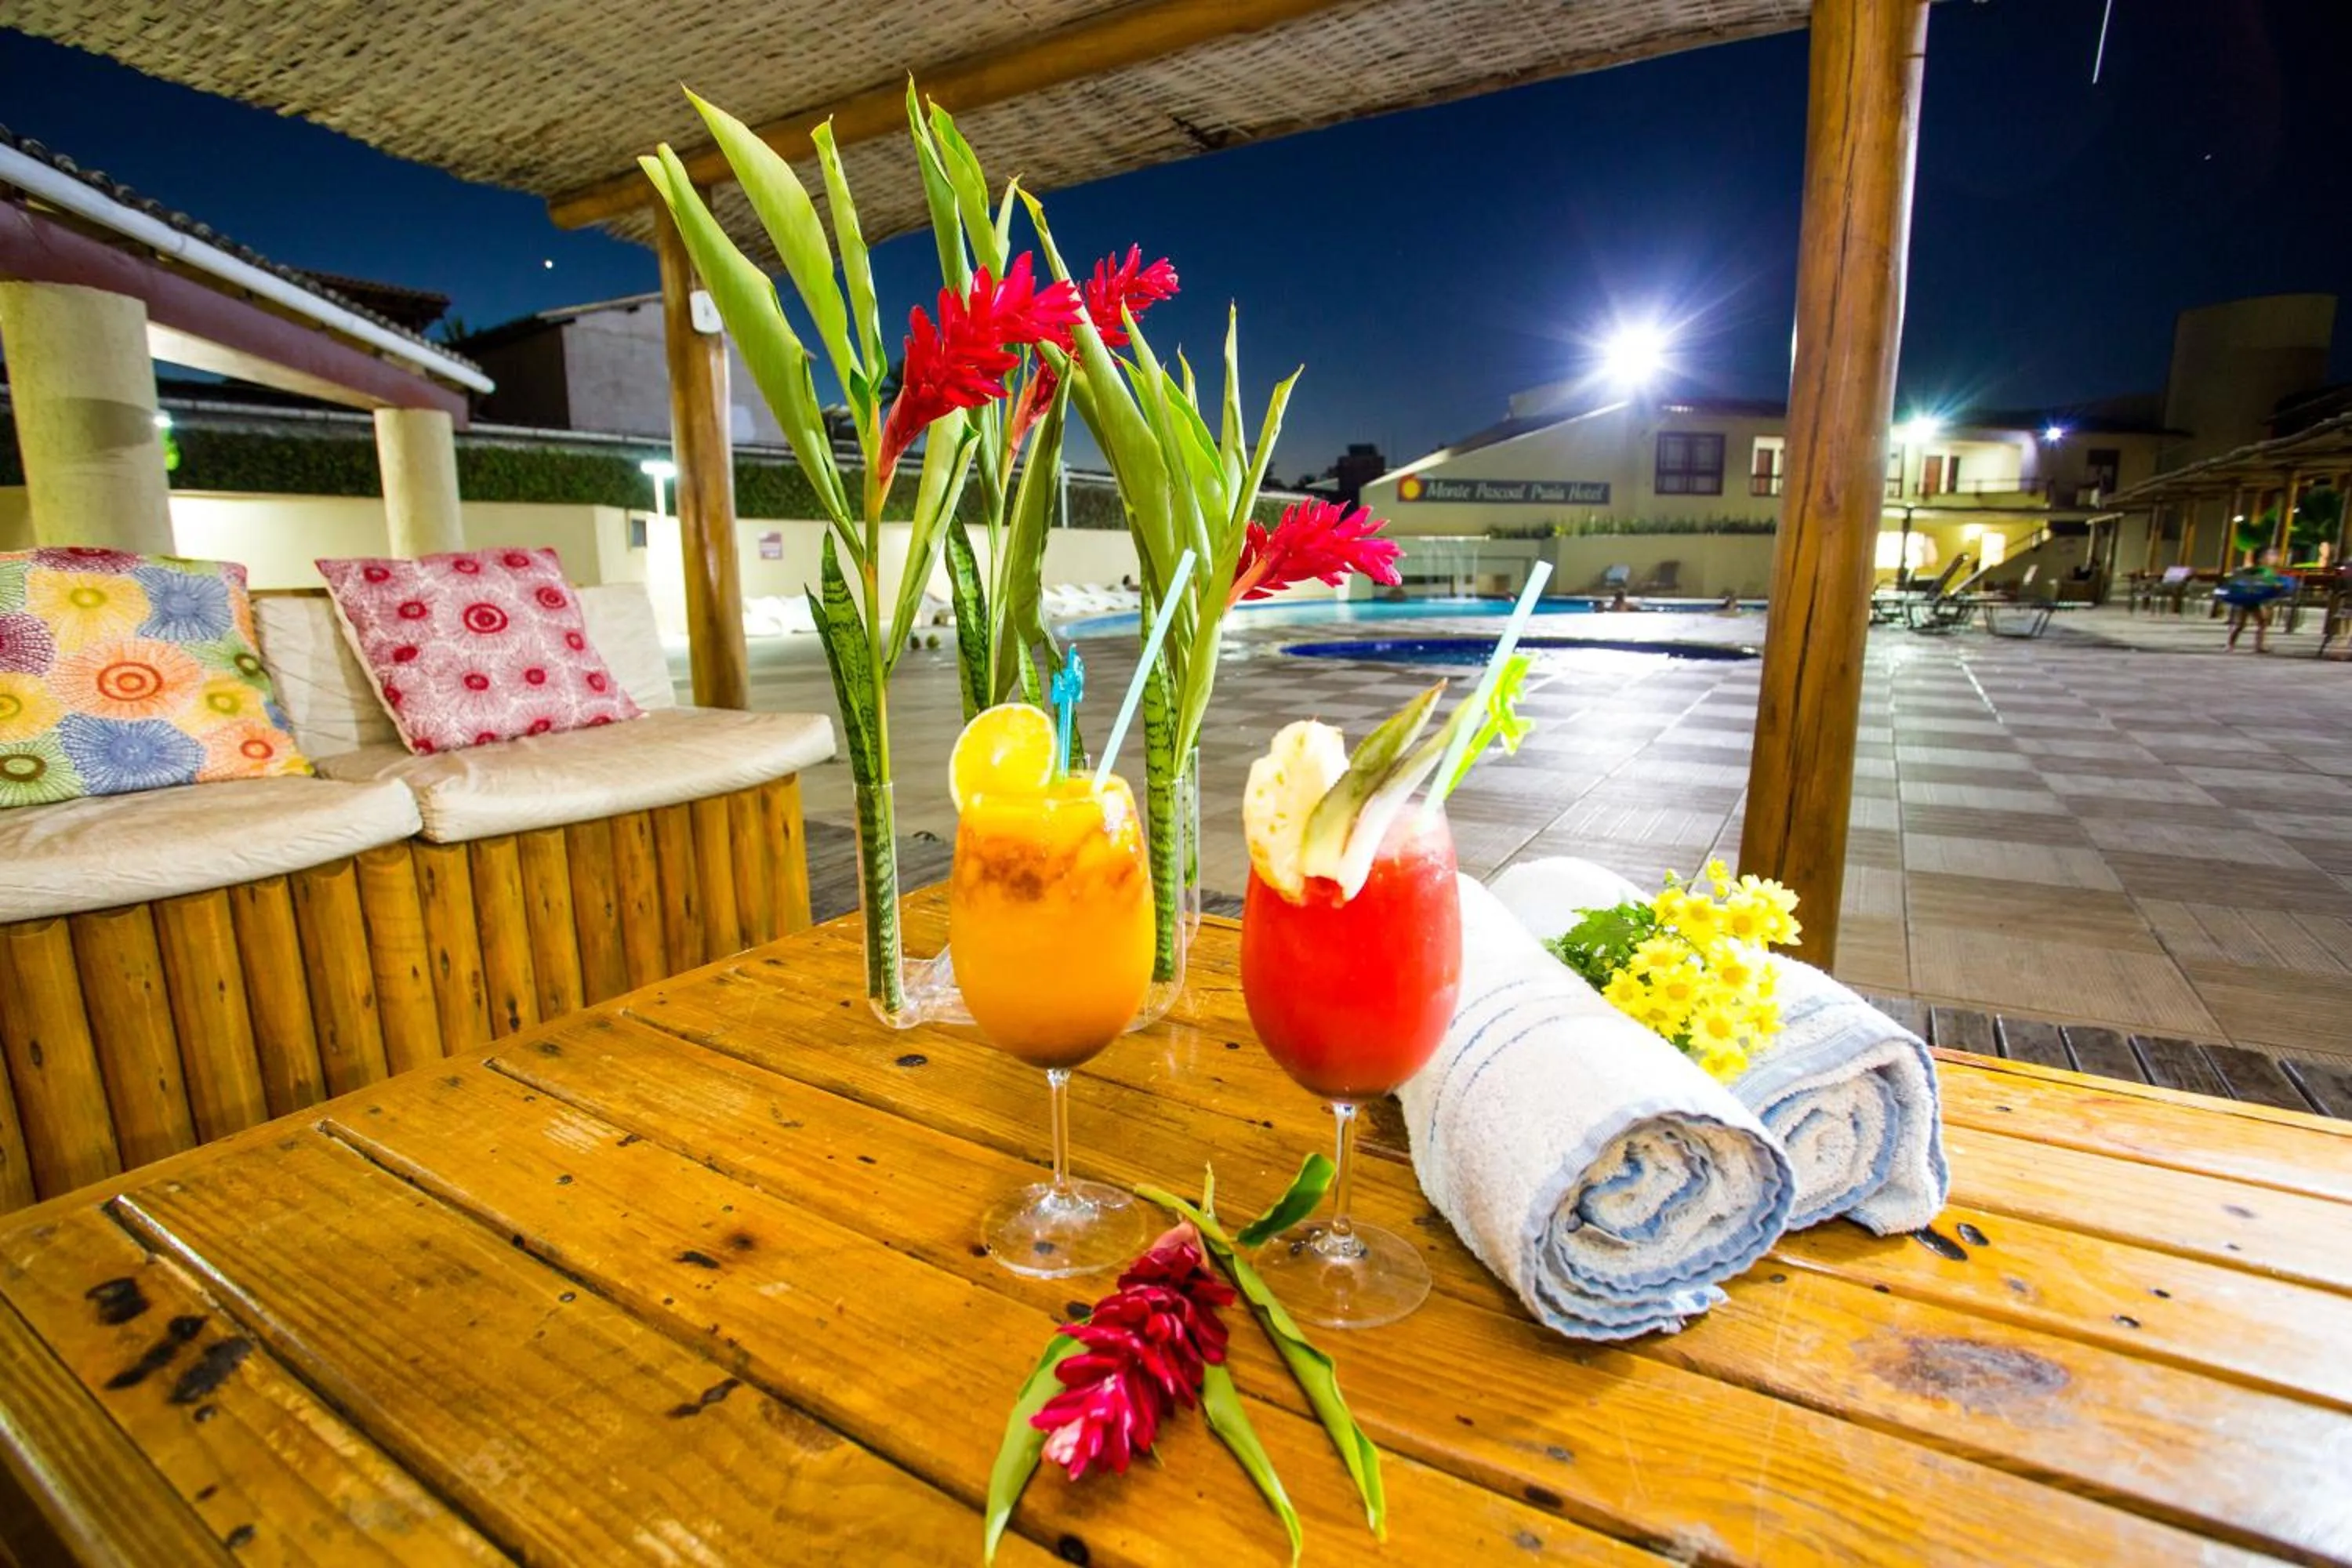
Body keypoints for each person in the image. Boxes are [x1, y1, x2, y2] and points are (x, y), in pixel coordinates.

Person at [2220, 549, 2293, 653]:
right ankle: (2258, 646)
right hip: (2253, 599)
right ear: (2261, 559)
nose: (2275, 558)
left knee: (2242, 624)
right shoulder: (2265, 570)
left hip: (2246, 598)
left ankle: (2230, 645)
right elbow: (2268, 581)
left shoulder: (2253, 569)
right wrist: (2279, 585)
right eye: (2271, 556)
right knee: (2262, 623)